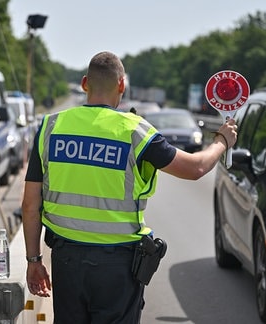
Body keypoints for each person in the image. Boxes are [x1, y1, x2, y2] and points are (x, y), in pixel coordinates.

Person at [21, 51, 238, 323]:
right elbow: (195, 168)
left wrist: (33, 260)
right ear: (122, 84)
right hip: (117, 267)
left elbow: (30, 204)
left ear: (85, 84)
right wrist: (221, 141)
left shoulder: (51, 127)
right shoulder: (135, 131)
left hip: (67, 261)